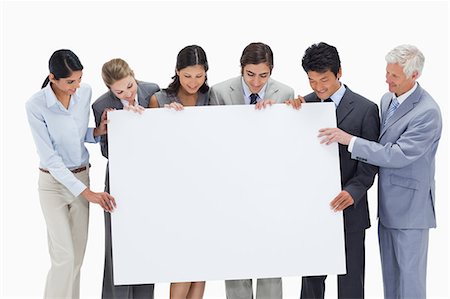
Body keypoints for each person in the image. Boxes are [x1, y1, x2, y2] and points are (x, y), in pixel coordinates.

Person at [318, 44, 442, 299]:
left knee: (410, 282)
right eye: (387, 73)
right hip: (387, 208)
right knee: (391, 279)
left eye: (394, 76)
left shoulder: (427, 112)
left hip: (411, 211)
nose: (387, 80)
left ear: (414, 76)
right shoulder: (388, 100)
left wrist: (350, 141)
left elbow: (396, 154)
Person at [25, 49, 116, 299]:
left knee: (76, 259)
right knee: (64, 257)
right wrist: (88, 194)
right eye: (69, 82)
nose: (76, 86)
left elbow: (77, 138)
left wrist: (97, 132)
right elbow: (51, 158)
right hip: (53, 184)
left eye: (79, 79)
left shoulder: (83, 93)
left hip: (81, 175)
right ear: (52, 78)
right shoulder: (36, 105)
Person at [209, 42, 295, 299]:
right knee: (236, 260)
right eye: (250, 74)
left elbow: (291, 142)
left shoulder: (286, 92)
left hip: (270, 189)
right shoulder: (221, 92)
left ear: (272, 71)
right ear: (241, 69)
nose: (256, 82)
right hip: (232, 187)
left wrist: (276, 117)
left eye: (263, 75)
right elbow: (213, 138)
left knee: (270, 259)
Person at [299, 42, 380, 299]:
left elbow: (370, 162)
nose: (318, 87)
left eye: (324, 80)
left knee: (351, 283)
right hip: (314, 211)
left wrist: (353, 192)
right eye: (312, 81)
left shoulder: (366, 109)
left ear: (339, 73)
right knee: (311, 282)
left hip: (350, 209)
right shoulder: (304, 105)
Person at [92, 58, 160, 299]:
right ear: (110, 89)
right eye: (119, 91)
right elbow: (106, 152)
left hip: (149, 177)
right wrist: (110, 127)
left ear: (134, 76)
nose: (128, 93)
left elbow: (162, 135)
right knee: (117, 246)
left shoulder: (152, 91)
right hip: (119, 179)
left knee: (146, 242)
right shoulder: (101, 104)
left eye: (130, 86)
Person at [148, 45, 210, 299]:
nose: (193, 82)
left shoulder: (211, 97)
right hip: (174, 189)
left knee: (203, 261)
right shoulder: (159, 99)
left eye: (199, 76)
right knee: (182, 260)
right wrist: (166, 120)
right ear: (176, 72)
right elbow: (150, 145)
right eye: (187, 76)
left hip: (206, 188)